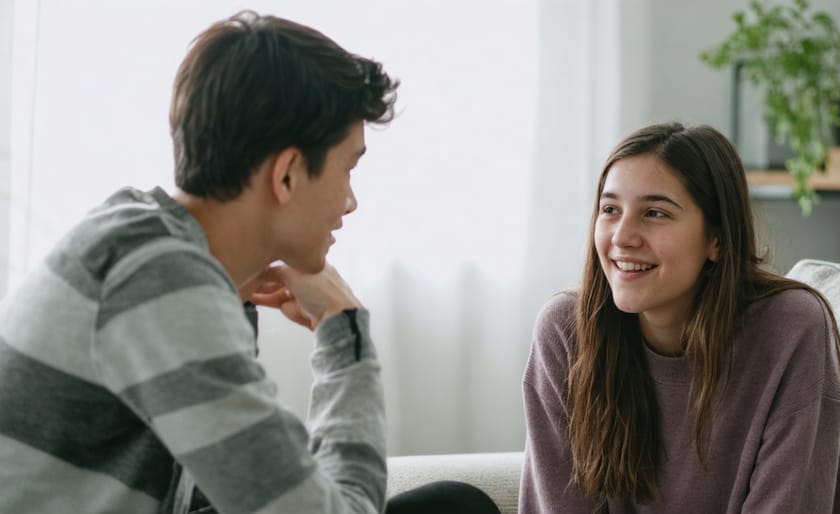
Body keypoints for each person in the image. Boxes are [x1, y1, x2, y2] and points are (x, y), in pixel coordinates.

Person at [0, 10, 499, 514]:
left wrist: (234, 297)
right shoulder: (159, 280)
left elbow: (219, 494)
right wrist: (344, 334)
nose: (351, 202)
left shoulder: (144, 241)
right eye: (349, 168)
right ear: (287, 175)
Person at [519, 122, 840, 513]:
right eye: (610, 209)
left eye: (655, 213)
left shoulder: (791, 329)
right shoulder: (565, 332)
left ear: (716, 239)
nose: (622, 236)